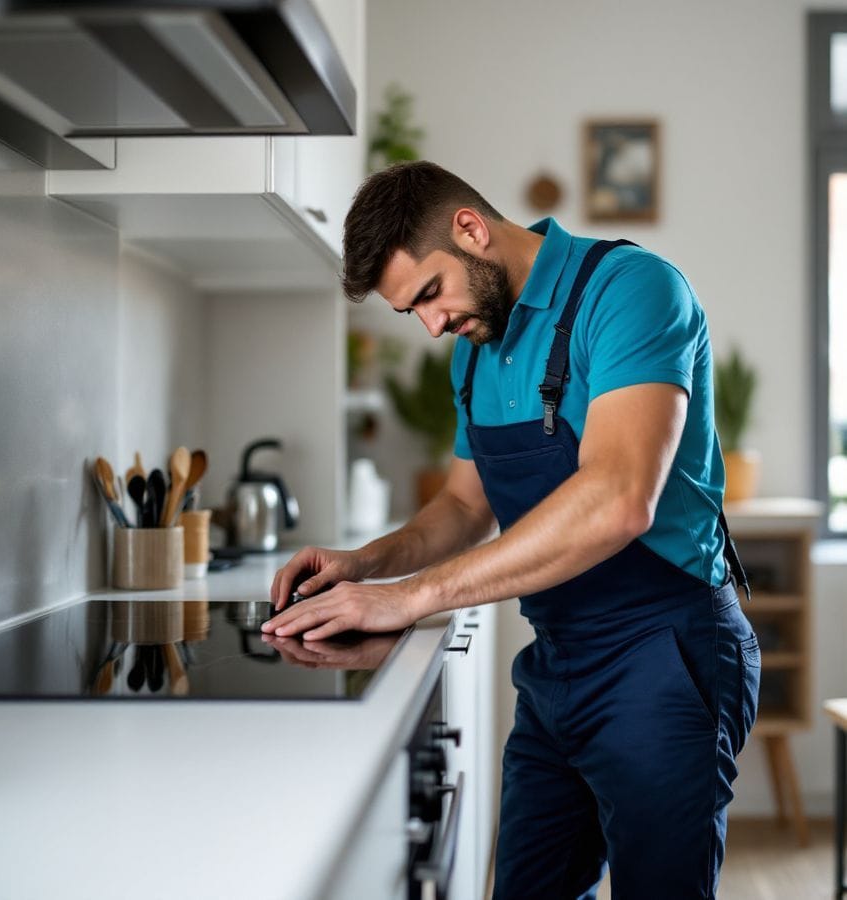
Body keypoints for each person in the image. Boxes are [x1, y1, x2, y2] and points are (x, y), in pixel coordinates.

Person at [262, 160, 760, 899]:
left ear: (471, 230)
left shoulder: (631, 291)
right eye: (414, 313)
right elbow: (465, 506)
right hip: (558, 666)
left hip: (665, 656)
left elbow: (620, 497)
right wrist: (365, 565)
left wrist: (410, 599)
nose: (433, 326)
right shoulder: (476, 346)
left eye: (430, 294)